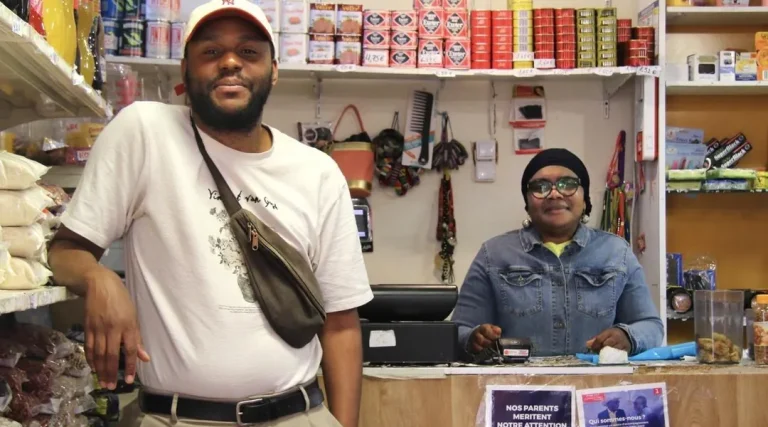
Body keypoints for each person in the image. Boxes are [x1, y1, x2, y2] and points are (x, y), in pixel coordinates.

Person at [47, 1, 372, 426]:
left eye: (250, 52)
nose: (231, 63)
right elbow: (65, 252)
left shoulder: (318, 172)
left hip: (299, 414)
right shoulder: (145, 133)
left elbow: (341, 323)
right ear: (186, 70)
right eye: (211, 52)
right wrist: (99, 277)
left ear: (273, 70)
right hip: (178, 417)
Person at [452, 148, 663, 357]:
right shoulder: (494, 255)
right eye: (540, 187)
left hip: (597, 387)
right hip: (516, 386)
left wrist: (627, 336)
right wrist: (474, 339)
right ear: (527, 202)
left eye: (567, 184)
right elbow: (458, 331)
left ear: (585, 197)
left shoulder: (617, 253)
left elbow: (651, 327)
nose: (554, 193)